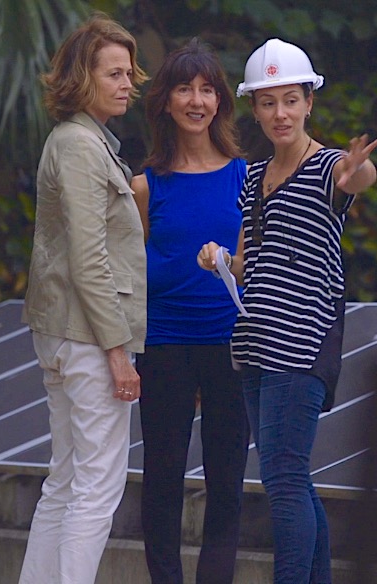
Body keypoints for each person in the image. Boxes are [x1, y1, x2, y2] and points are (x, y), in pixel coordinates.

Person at [197, 38, 377, 583]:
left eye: (291, 100)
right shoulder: (253, 178)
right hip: (253, 342)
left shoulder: (328, 168)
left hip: (302, 343)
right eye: (269, 102)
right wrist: (218, 259)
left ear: (309, 103)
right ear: (255, 109)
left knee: (281, 478)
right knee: (292, 479)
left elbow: (357, 180)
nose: (281, 113)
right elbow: (247, 261)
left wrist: (357, 174)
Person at [18, 12, 148, 584]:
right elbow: (87, 256)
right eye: (114, 73)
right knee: (96, 486)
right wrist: (117, 349)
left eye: (129, 73)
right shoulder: (78, 145)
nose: (128, 84)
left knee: (67, 481)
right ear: (83, 77)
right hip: (88, 334)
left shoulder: (87, 142)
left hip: (66, 331)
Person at [131, 38, 250, 584]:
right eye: (184, 88)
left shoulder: (247, 178)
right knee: (162, 476)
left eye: (207, 89)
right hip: (165, 342)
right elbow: (130, 273)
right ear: (167, 102)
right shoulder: (144, 185)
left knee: (227, 478)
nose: (196, 100)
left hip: (233, 342)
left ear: (221, 101)